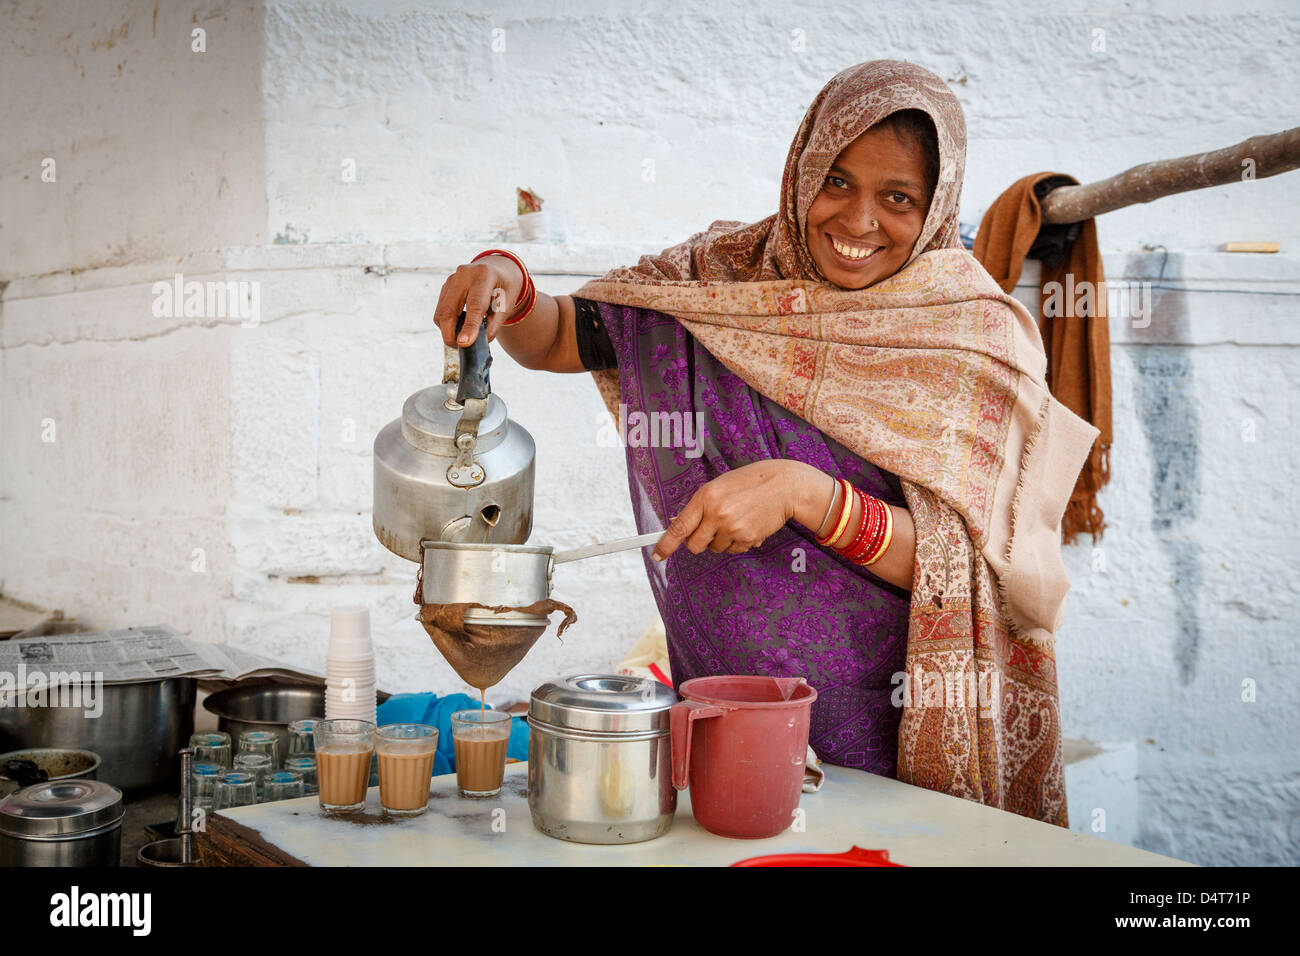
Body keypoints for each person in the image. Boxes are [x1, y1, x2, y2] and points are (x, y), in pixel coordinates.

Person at [432, 60, 1098, 826]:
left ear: (936, 207)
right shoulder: (720, 282)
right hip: (724, 728)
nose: (857, 220)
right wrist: (505, 282)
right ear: (802, 169)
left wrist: (808, 496)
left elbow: (988, 574)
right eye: (837, 181)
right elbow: (564, 335)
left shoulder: (968, 337)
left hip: (893, 743)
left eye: (899, 198)